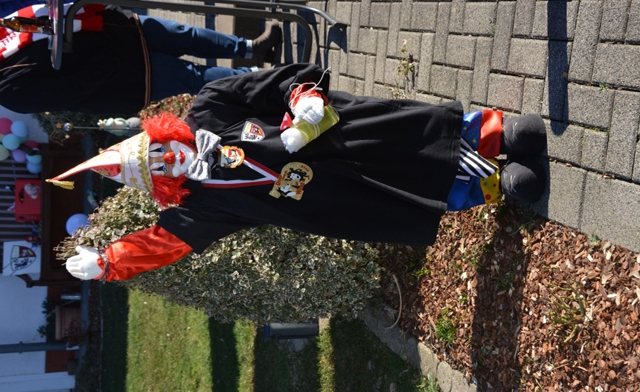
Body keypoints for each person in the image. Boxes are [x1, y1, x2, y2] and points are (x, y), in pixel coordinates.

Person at [52, 63, 548, 282]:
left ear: (161, 134)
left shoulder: (209, 106)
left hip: (341, 134)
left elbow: (275, 82)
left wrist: (303, 101)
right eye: (159, 170)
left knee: (409, 135)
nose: (169, 160)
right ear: (163, 184)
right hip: (333, 198)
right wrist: (111, 261)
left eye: (159, 151)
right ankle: (491, 184)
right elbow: (166, 242)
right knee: (404, 193)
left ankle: (496, 138)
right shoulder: (202, 204)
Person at [0, 2, 281, 115]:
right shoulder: (10, 92)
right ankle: (264, 78)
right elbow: (73, 89)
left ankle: (250, 48)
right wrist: (108, 57)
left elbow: (54, 19)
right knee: (193, 76)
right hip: (123, 75)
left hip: (117, 29)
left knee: (186, 35)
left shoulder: (6, 30)